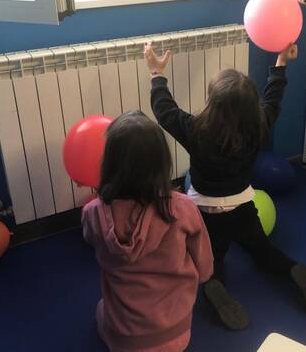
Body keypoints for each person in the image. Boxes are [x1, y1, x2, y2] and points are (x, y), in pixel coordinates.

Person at [146, 42, 306, 330]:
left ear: (211, 103)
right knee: (262, 251)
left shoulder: (196, 130)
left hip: (205, 215)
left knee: (211, 261)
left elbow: (164, 110)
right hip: (243, 208)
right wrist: (281, 60)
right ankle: (292, 268)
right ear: (251, 107)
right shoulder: (259, 126)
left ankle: (214, 285)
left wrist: (157, 73)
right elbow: (273, 98)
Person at [82, 111, 213, 351]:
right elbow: (205, 269)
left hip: (124, 341)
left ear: (109, 163)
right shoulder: (183, 208)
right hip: (175, 335)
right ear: (162, 162)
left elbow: (91, 240)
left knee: (102, 308)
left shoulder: (92, 213)